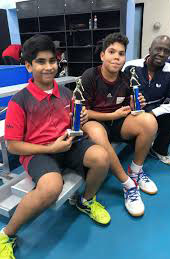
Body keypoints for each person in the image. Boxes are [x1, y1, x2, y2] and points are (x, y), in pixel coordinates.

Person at [0, 35, 111, 258]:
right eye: (40, 61)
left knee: (101, 156)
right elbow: (12, 146)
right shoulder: (19, 102)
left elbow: (73, 122)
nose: (48, 67)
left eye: (52, 60)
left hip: (67, 144)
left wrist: (83, 118)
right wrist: (50, 149)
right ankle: (7, 235)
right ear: (28, 65)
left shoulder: (67, 94)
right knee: (51, 187)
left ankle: (85, 200)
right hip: (39, 152)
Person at [81, 33, 158, 218]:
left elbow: (131, 106)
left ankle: (136, 172)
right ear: (102, 55)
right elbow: (83, 113)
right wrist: (111, 115)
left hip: (118, 123)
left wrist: (135, 104)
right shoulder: (90, 76)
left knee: (149, 121)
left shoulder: (125, 78)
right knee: (97, 133)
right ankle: (128, 184)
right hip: (95, 123)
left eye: (121, 53)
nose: (117, 57)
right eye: (112, 52)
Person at [123, 35, 170, 165]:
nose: (162, 54)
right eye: (158, 49)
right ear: (150, 49)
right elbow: (118, 92)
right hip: (133, 112)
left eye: (167, 51)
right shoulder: (131, 66)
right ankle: (142, 142)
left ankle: (160, 149)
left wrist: (154, 113)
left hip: (155, 111)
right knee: (134, 143)